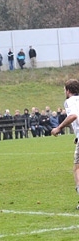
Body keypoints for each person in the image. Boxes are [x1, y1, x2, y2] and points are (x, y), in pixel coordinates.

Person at [51, 79, 79, 209]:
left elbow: (73, 116)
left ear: (68, 90)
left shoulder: (70, 101)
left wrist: (59, 128)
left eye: (64, 89)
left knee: (77, 168)